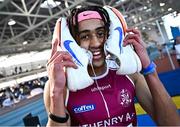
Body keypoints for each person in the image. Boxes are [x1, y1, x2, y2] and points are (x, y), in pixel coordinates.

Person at [44, 5, 180, 126]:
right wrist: (56, 93)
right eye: (85, 36)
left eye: (100, 33)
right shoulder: (60, 87)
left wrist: (148, 69)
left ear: (109, 36)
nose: (96, 43)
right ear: (74, 43)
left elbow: (172, 124)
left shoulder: (129, 75)